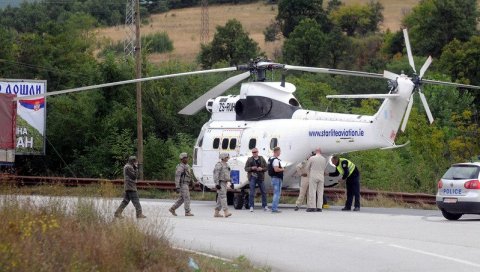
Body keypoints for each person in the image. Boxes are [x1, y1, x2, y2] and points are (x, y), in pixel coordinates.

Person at [169, 152, 197, 216]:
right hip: (183, 184)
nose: (187, 159)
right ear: (181, 159)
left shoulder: (187, 166)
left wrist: (192, 183)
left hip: (186, 184)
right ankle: (187, 212)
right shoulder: (180, 167)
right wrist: (177, 186)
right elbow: (177, 177)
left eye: (187, 158)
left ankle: (172, 208)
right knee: (187, 197)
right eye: (185, 158)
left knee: (182, 199)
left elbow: (189, 175)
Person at [245, 148, 269, 212]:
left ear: (258, 152)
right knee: (252, 192)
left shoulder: (262, 158)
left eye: (255, 152)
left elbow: (266, 168)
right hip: (252, 176)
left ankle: (265, 206)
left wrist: (262, 169)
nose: (254, 153)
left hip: (260, 177)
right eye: (253, 152)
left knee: (263, 191)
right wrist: (251, 168)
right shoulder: (249, 159)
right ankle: (251, 206)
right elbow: (246, 168)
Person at [306, 148, 327, 212]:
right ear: (320, 152)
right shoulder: (324, 159)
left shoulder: (312, 158)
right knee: (320, 192)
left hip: (313, 176)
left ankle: (312, 207)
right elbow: (324, 168)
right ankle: (319, 207)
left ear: (315, 152)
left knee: (312, 191)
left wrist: (309, 175)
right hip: (321, 177)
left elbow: (307, 167)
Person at [213, 152, 232, 218]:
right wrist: (217, 184)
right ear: (223, 158)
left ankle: (216, 212)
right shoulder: (219, 165)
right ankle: (226, 211)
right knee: (223, 197)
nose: (228, 158)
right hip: (220, 183)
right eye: (227, 157)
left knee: (220, 198)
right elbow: (216, 174)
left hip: (225, 182)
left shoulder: (227, 165)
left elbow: (228, 174)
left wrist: (231, 182)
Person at [269, 146, 283, 213]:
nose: (280, 153)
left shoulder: (270, 159)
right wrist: (282, 169)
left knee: (276, 193)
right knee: (277, 194)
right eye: (279, 151)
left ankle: (274, 208)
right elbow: (276, 169)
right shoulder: (275, 160)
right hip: (277, 178)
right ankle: (274, 208)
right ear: (276, 152)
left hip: (273, 178)